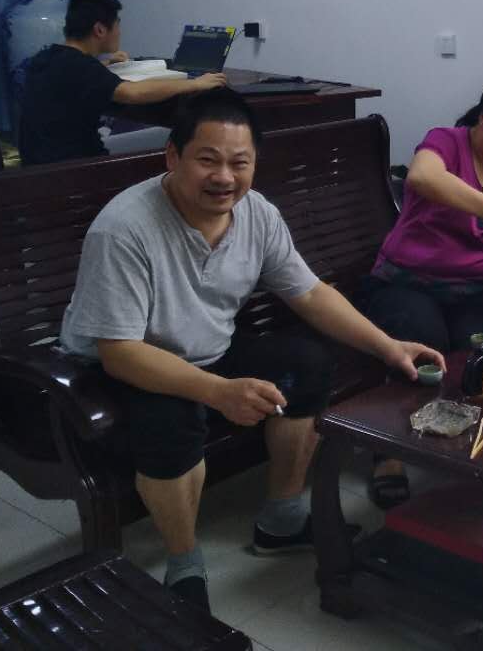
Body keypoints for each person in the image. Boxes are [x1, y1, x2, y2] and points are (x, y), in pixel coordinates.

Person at [57, 89, 443, 612]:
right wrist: (218, 392)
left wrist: (388, 346)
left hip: (207, 347)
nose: (224, 177)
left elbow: (309, 294)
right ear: (172, 157)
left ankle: (282, 520)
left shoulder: (256, 213)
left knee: (307, 368)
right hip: (125, 364)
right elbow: (120, 352)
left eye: (239, 163)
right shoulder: (125, 228)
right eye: (207, 160)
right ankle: (183, 562)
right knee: (172, 421)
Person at [357, 74, 483, 507]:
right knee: (422, 344)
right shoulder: (447, 143)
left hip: (480, 289)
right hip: (409, 281)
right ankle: (387, 454)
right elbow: (422, 177)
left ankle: (470, 448)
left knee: (481, 357)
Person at [18, 0, 226, 165]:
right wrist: (195, 83)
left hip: (37, 166)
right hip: (75, 169)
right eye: (117, 24)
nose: (119, 31)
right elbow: (132, 93)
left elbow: (75, 77)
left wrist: (106, 64)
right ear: (100, 30)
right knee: (174, 141)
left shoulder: (47, 57)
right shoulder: (81, 67)